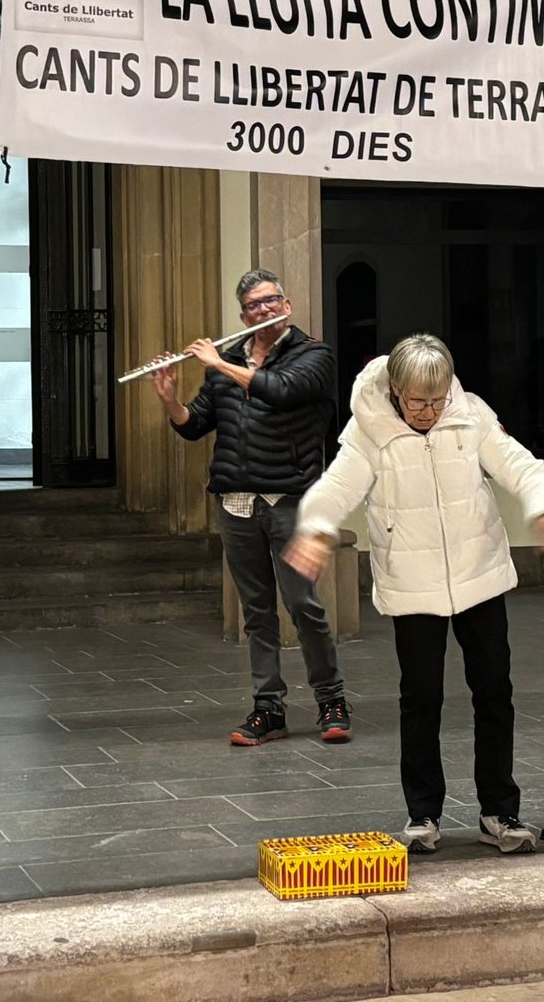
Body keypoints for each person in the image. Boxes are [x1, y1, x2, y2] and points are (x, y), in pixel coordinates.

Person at [284, 335, 544, 855]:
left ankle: (499, 810)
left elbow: (519, 464)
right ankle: (423, 813)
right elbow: (336, 487)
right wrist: (314, 529)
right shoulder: (368, 430)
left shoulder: (469, 414)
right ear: (395, 390)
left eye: (437, 400)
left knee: (494, 692)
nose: (428, 412)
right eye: (417, 402)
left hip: (480, 573)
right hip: (412, 583)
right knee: (421, 699)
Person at [153, 268, 352, 746]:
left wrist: (218, 364)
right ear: (242, 314)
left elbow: (279, 391)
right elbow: (197, 424)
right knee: (256, 611)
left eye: (271, 301)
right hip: (236, 501)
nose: (262, 310)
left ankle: (331, 700)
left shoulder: (313, 355)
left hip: (289, 499)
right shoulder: (227, 360)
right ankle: (270, 708)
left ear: (286, 305)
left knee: (304, 606)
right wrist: (170, 400)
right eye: (253, 306)